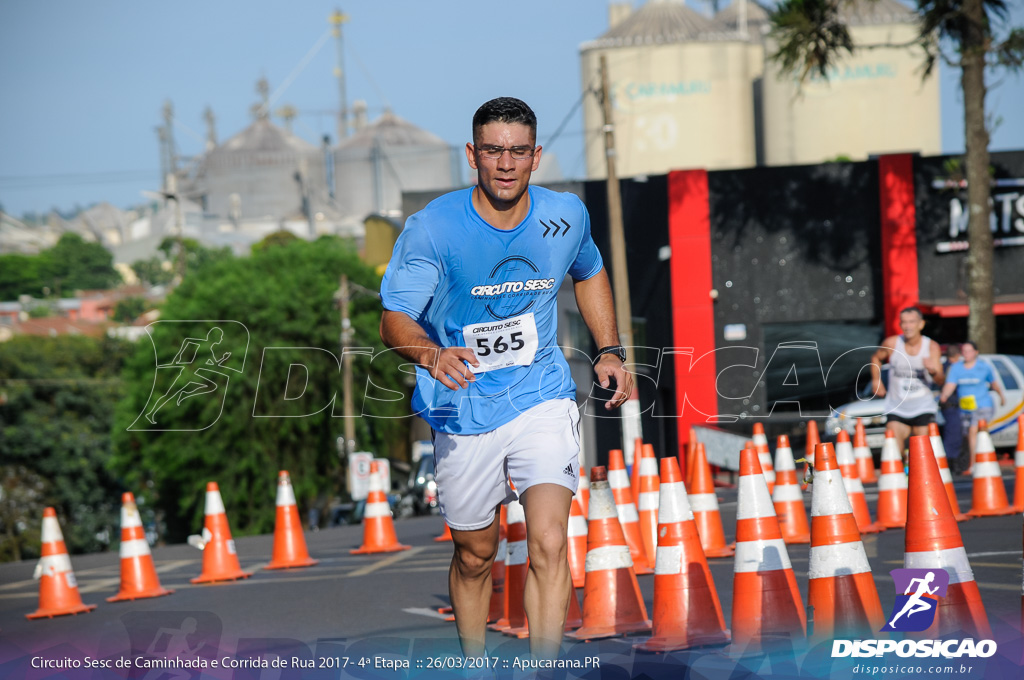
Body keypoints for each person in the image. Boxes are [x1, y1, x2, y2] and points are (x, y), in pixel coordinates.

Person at [378, 97, 632, 661]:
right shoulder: (434, 229)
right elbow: (393, 317)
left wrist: (609, 350)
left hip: (540, 395)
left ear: (536, 157)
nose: (506, 163)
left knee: (547, 541)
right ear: (473, 154)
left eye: (518, 151)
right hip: (463, 405)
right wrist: (430, 353)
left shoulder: (564, 216)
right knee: (475, 554)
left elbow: (588, 272)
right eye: (493, 150)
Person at [870, 307, 945, 465]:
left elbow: (940, 381)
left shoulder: (931, 347)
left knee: (922, 456)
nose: (907, 326)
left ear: (921, 324)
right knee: (893, 453)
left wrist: (932, 370)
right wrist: (877, 380)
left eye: (912, 322)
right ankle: (902, 476)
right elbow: (876, 358)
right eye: (904, 322)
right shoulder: (892, 343)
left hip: (923, 407)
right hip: (897, 407)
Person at [939, 341, 1005, 475]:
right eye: (964, 351)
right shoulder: (957, 368)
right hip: (965, 408)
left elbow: (994, 383)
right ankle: (986, 458)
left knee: (973, 431)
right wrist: (944, 396)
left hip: (983, 405)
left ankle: (973, 465)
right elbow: (950, 384)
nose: (966, 354)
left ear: (976, 352)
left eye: (969, 351)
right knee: (971, 435)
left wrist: (1001, 396)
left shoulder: (983, 367)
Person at [938, 344, 964, 471]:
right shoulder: (953, 368)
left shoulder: (942, 367)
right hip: (951, 405)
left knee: (952, 434)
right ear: (957, 356)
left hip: (949, 406)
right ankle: (953, 463)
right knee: (954, 436)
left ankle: (953, 462)